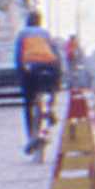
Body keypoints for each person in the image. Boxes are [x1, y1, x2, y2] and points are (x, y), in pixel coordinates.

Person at [15, 11, 63, 151]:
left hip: (31, 67)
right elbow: (55, 52)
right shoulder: (45, 33)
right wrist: (58, 74)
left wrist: (19, 73)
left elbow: (18, 55)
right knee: (53, 86)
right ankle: (51, 107)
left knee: (28, 103)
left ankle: (31, 135)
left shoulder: (22, 33)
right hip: (50, 65)